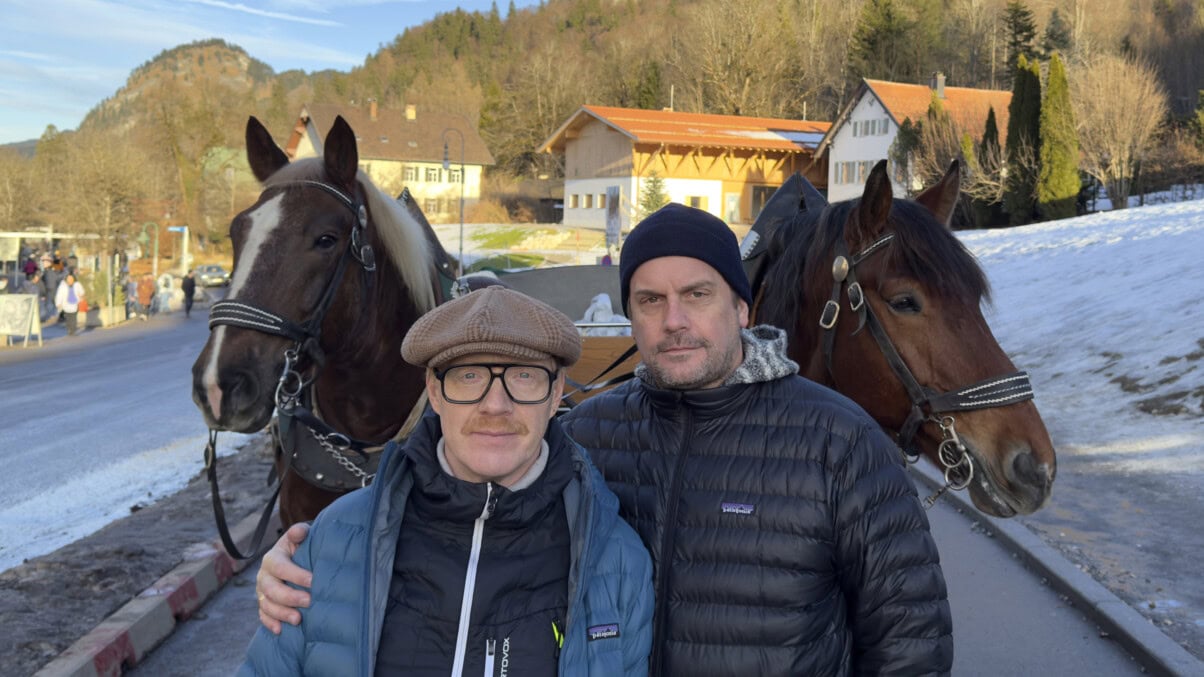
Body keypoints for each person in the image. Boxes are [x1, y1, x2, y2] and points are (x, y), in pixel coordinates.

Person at [257, 204, 954, 675]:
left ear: (742, 306)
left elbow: (911, 638)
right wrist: (312, 563)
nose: (673, 319)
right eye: (649, 300)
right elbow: (469, 515)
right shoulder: (586, 435)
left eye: (698, 294)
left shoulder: (836, 439)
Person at [240, 286, 653, 676]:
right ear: (434, 393)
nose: (496, 405)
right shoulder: (334, 541)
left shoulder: (617, 563)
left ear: (555, 393)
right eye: (468, 376)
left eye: (524, 376)